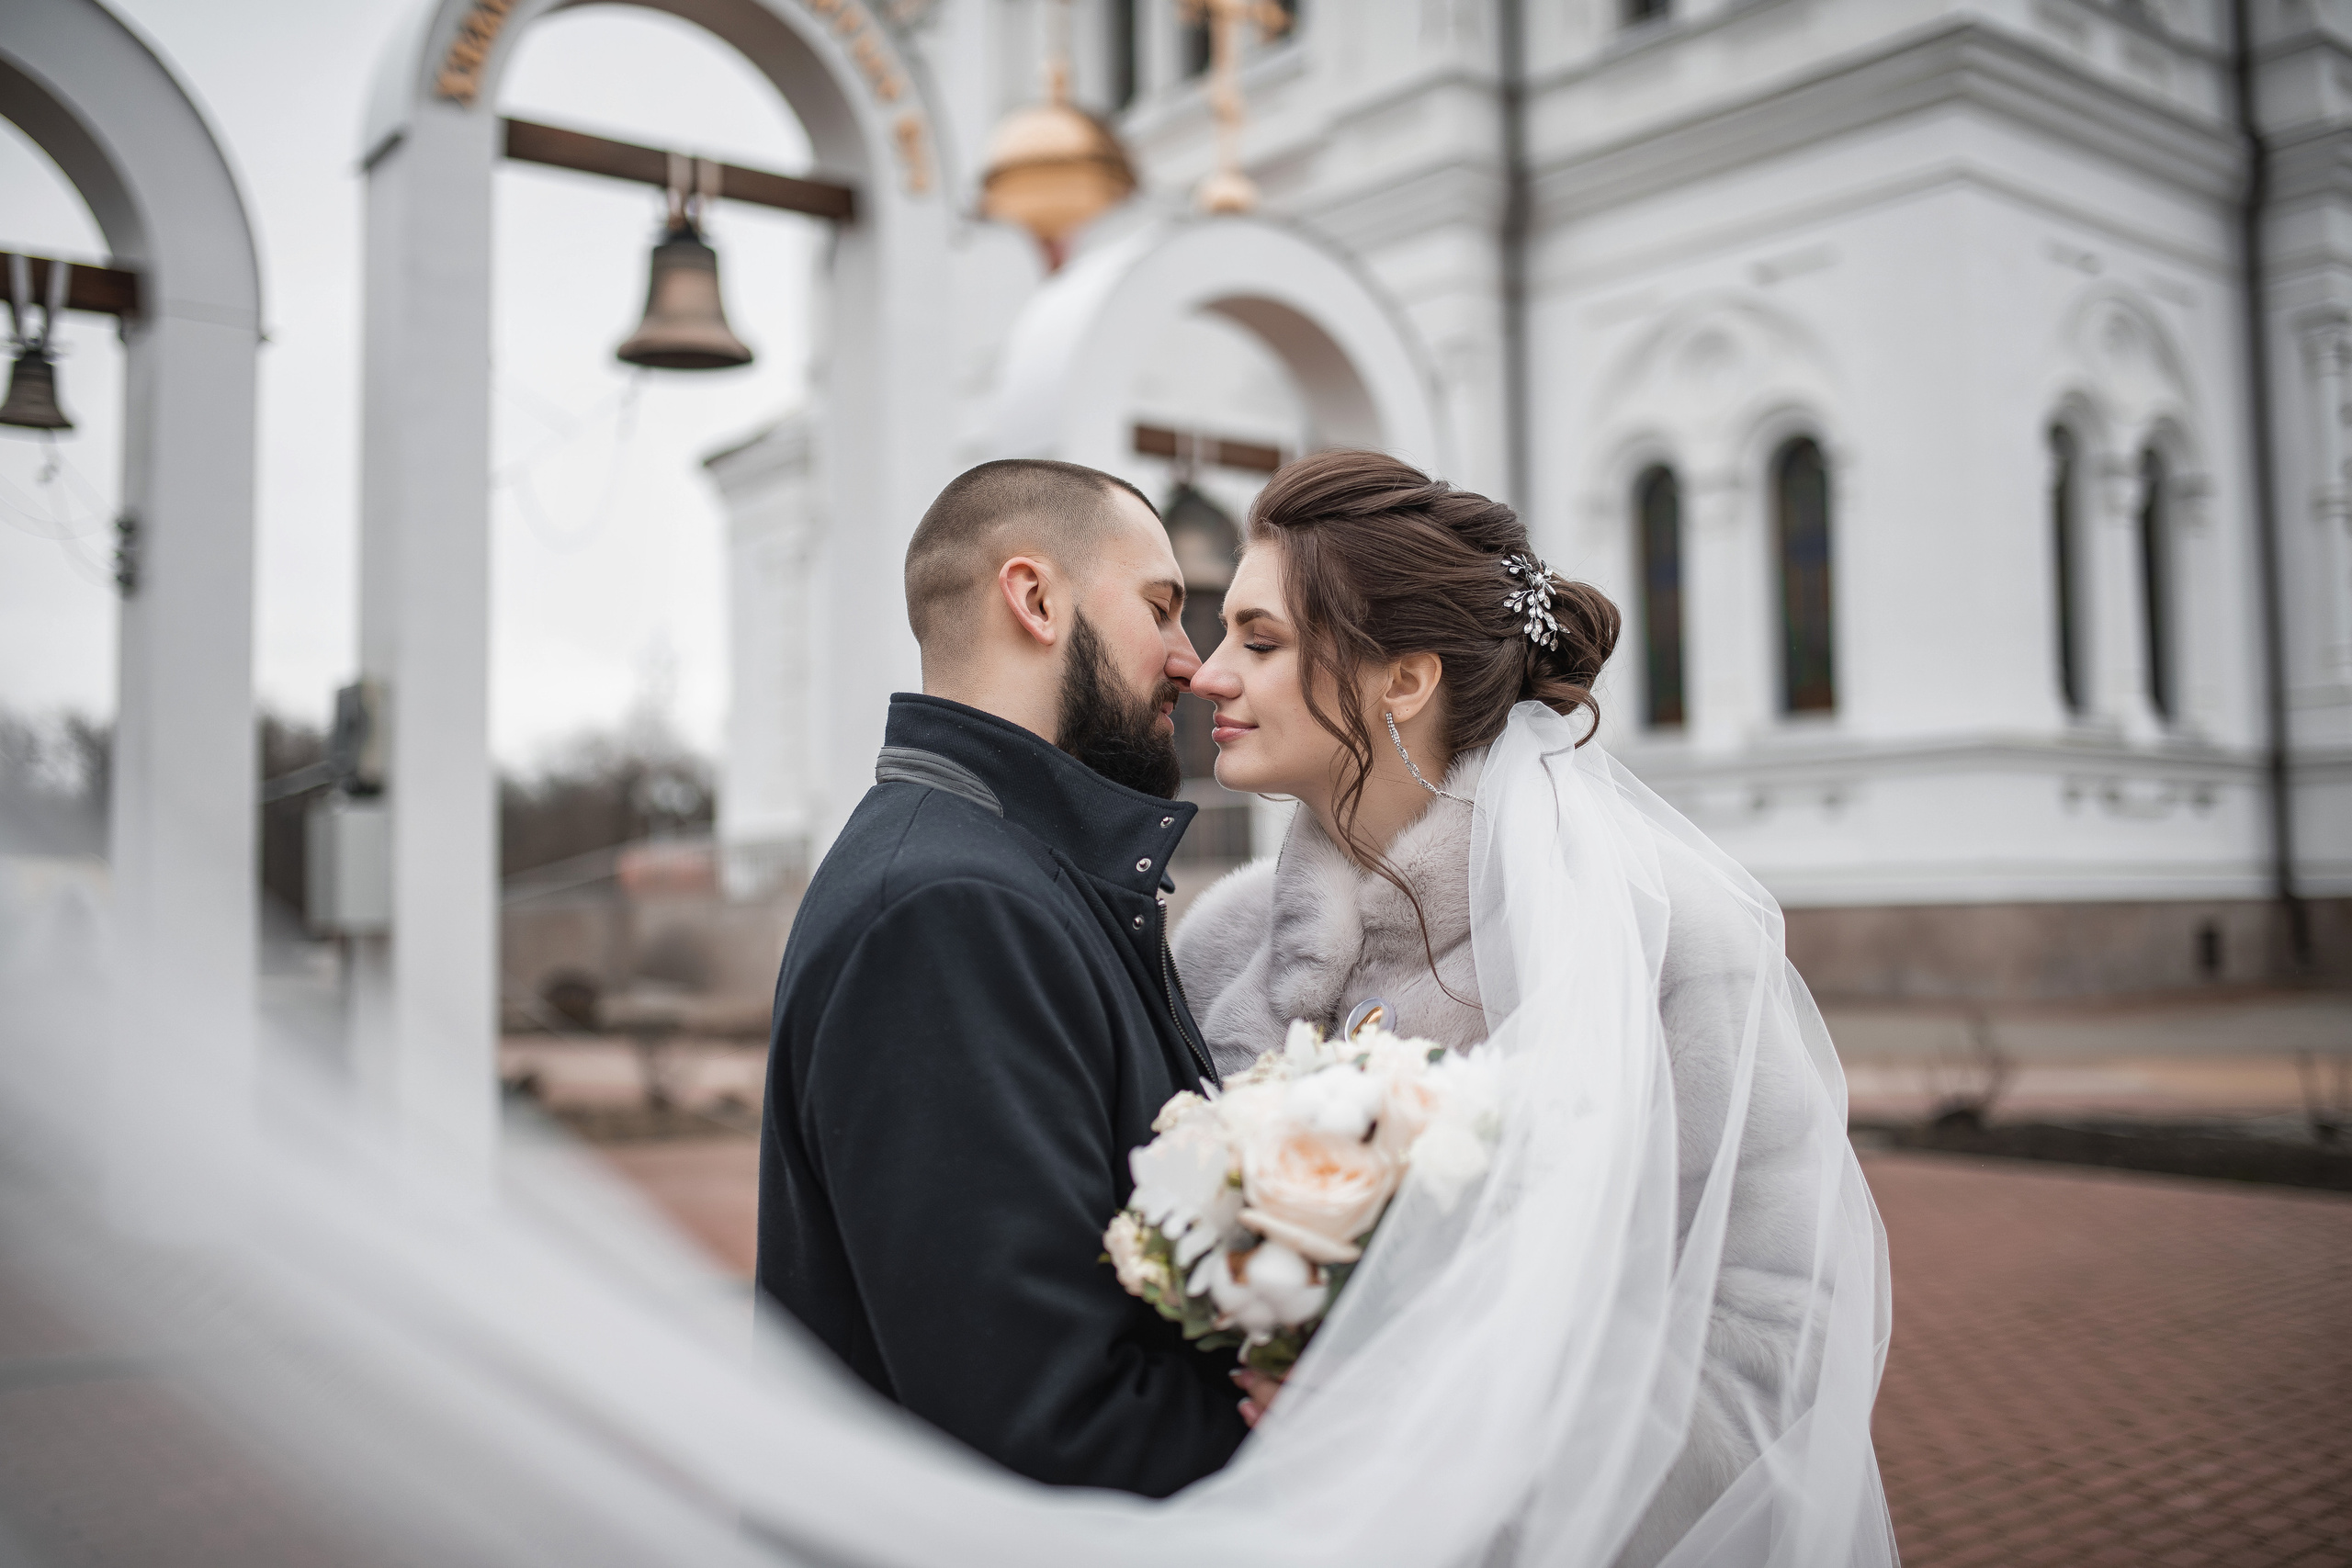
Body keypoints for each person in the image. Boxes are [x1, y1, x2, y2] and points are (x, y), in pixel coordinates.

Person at [1172, 448, 1898, 1564]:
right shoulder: (1221, 943)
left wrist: (1445, 1438)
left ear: (1402, 680)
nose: (1208, 675)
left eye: (1258, 641)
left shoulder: (1672, 948)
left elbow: (1777, 1339)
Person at [755, 458, 1248, 1497]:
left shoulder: (1015, 871)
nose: (1189, 660)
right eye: (1163, 608)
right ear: (1033, 598)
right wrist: (1342, 1441)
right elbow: (1047, 1426)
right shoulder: (947, 910)